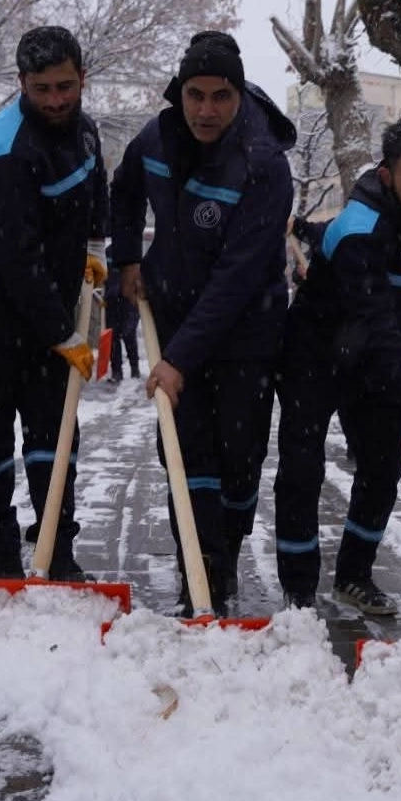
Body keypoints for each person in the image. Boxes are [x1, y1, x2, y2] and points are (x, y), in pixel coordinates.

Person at [110, 31, 295, 615]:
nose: (206, 110)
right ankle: (200, 572)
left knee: (239, 459)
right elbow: (123, 188)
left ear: (239, 95)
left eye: (220, 96)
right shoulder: (156, 139)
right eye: (195, 95)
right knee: (185, 456)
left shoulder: (262, 164)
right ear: (179, 92)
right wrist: (126, 257)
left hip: (247, 330)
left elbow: (237, 279)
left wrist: (177, 359)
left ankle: (225, 551)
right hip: (171, 314)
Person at [0, 25, 107, 581]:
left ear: (82, 78)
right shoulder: (1, 153)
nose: (55, 100)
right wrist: (65, 335)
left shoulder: (83, 132)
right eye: (42, 89)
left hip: (44, 309)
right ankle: (2, 553)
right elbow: (17, 261)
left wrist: (95, 246)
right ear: (21, 85)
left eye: (64, 86)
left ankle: (56, 548)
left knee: (54, 437)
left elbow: (93, 186)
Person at [273, 117, 401, 615]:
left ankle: (354, 575)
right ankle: (298, 590)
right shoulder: (361, 228)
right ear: (386, 175)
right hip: (316, 349)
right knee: (302, 467)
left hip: (374, 355)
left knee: (381, 466)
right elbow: (375, 325)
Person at [102, 247, 140, 382]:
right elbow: (103, 275)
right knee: (113, 337)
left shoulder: (134, 252)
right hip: (111, 301)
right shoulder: (107, 252)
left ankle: (135, 369)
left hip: (129, 300)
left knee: (129, 334)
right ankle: (116, 372)